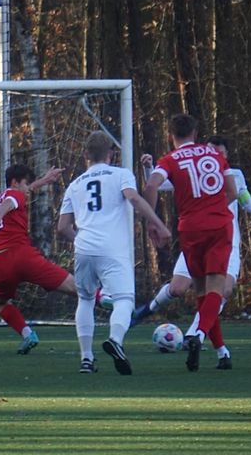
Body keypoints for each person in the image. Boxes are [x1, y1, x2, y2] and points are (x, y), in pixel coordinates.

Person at [133, 135, 251, 369]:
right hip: (199, 236)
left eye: (219, 152)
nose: (213, 155)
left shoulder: (234, 175)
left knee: (221, 291)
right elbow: (158, 184)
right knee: (179, 288)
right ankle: (151, 312)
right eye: (210, 150)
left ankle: (197, 335)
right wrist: (148, 168)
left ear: (226, 155)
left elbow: (246, 201)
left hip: (224, 240)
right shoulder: (192, 168)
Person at [57, 132, 171, 374]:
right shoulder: (121, 174)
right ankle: (115, 340)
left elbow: (62, 227)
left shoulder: (74, 185)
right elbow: (134, 199)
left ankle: (86, 359)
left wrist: (81, 241)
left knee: (85, 299)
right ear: (110, 153)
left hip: (84, 248)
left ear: (86, 155)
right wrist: (158, 224)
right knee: (124, 300)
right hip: (112, 248)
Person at [143, 114, 237, 372]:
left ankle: (222, 353)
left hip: (191, 228)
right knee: (215, 288)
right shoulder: (215, 155)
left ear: (170, 136)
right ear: (195, 133)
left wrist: (152, 222)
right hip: (219, 226)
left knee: (202, 292)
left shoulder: (169, 160)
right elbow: (232, 191)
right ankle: (198, 334)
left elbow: (151, 186)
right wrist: (213, 208)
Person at [0, 164, 77, 354]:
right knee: (73, 286)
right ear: (15, 182)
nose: (28, 188)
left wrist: (44, 180)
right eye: (25, 183)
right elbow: (10, 202)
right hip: (21, 256)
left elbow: (18, 195)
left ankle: (27, 334)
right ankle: (108, 300)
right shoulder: (13, 195)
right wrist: (0, 213)